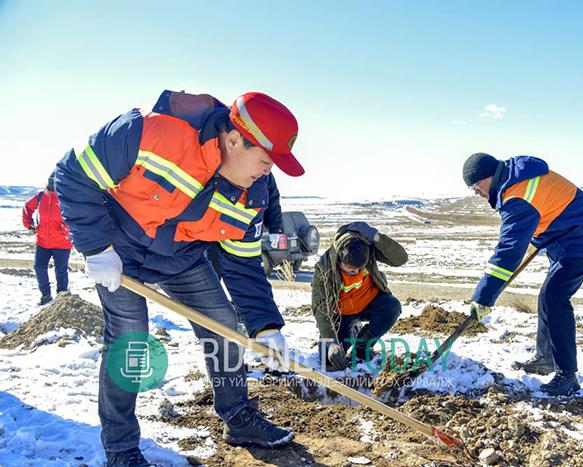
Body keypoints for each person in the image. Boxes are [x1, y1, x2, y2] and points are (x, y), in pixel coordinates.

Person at [55, 89, 304, 466]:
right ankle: (121, 448)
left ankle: (237, 417)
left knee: (223, 325)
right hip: (117, 249)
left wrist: (265, 325)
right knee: (130, 339)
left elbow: (242, 263)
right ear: (234, 139)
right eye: (266, 160)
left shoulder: (255, 193)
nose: (267, 171)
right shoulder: (149, 132)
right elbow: (73, 175)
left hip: (181, 257)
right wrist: (96, 248)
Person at [463, 153, 583, 396]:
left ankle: (567, 375)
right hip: (566, 236)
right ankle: (545, 358)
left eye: (477, 186)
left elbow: (508, 252)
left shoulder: (517, 196)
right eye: (472, 189)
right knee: (547, 296)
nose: (477, 193)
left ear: (489, 176)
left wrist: (484, 296)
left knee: (555, 297)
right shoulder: (515, 179)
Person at [311, 222, 407, 371]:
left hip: (370, 304)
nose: (355, 272)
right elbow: (321, 309)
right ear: (339, 259)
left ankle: (362, 345)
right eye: (349, 269)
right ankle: (352, 330)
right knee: (330, 363)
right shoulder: (324, 268)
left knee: (392, 307)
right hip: (342, 315)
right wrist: (332, 344)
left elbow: (401, 258)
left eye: (359, 268)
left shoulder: (368, 249)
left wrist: (376, 236)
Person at [22, 171, 73, 305]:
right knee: (39, 267)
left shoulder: (65, 197)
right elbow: (27, 208)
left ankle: (62, 298)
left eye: (54, 182)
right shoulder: (40, 196)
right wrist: (29, 224)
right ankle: (46, 295)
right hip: (42, 242)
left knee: (61, 271)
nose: (51, 184)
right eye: (50, 181)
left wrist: (66, 228)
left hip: (62, 243)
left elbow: (74, 216)